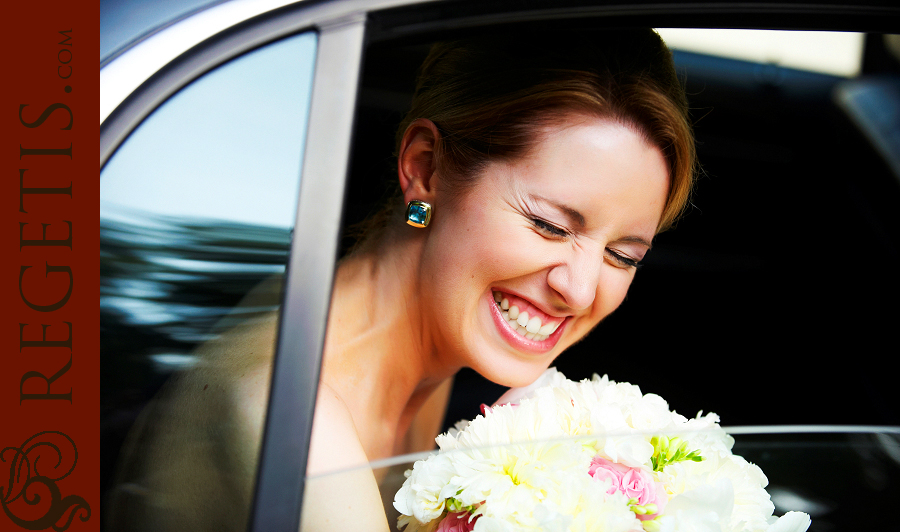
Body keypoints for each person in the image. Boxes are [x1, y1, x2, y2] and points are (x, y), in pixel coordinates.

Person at [109, 27, 694, 532]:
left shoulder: (419, 336)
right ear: (425, 168)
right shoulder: (295, 416)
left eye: (623, 255)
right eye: (548, 224)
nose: (583, 288)